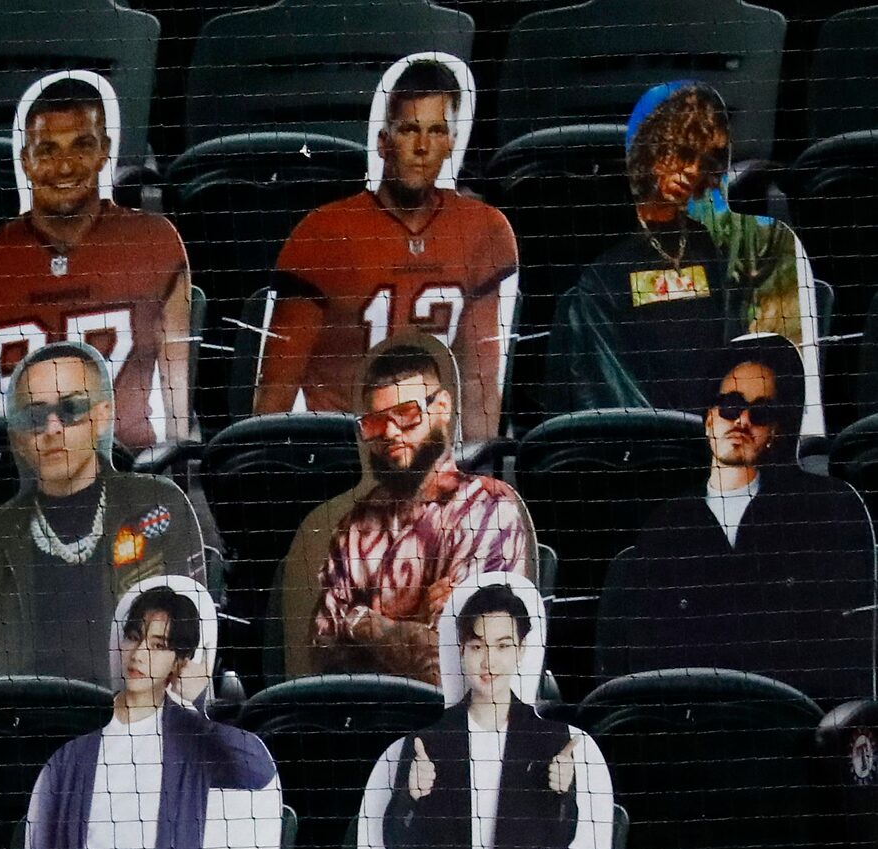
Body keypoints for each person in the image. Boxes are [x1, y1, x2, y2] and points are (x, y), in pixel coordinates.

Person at [599, 331, 878, 705]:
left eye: (761, 412)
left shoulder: (826, 509)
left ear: (776, 430)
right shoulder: (668, 525)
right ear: (708, 418)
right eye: (730, 405)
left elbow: (847, 658)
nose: (742, 420)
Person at [255, 55, 520, 441]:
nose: (422, 146)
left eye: (436, 131)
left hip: (431, 459)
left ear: (451, 142)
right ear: (383, 142)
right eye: (410, 129)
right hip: (344, 458)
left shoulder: (482, 230)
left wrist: (471, 481)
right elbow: (274, 393)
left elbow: (479, 383)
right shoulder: (323, 233)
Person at [24, 578, 283, 849]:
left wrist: (196, 708)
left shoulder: (192, 741)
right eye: (134, 636)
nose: (140, 653)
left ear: (180, 662)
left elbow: (256, 770)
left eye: (159, 645)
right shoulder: (68, 761)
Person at [0, 69, 194, 454]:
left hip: (125, 472)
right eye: (48, 150)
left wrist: (172, 475)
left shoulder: (153, 243)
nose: (65, 166)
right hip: (15, 481)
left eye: (81, 145)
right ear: (24, 161)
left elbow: (179, 413)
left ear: (105, 150)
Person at [549, 81, 821, 430]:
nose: (691, 171)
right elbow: (605, 384)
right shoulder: (606, 267)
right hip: (648, 443)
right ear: (652, 149)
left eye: (702, 161)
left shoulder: (711, 248)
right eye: (682, 153)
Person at [367, 574, 610, 849]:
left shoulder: (549, 739)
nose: (489, 661)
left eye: (502, 646)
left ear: (520, 650)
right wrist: (411, 796)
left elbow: (557, 842)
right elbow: (398, 846)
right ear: (462, 649)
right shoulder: (427, 741)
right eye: (478, 645)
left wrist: (562, 793)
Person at [0, 341, 209, 682]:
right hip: (27, 729)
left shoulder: (158, 506)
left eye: (70, 409)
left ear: (101, 417)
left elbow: (192, 655)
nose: (53, 428)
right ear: (18, 438)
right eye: (35, 416)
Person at [278, 331, 535, 681]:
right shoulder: (355, 525)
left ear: (442, 407)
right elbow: (322, 653)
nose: (391, 432)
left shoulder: (489, 507)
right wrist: (410, 625)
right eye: (375, 422)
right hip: (361, 719)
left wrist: (358, 621)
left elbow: (458, 667)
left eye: (407, 413)